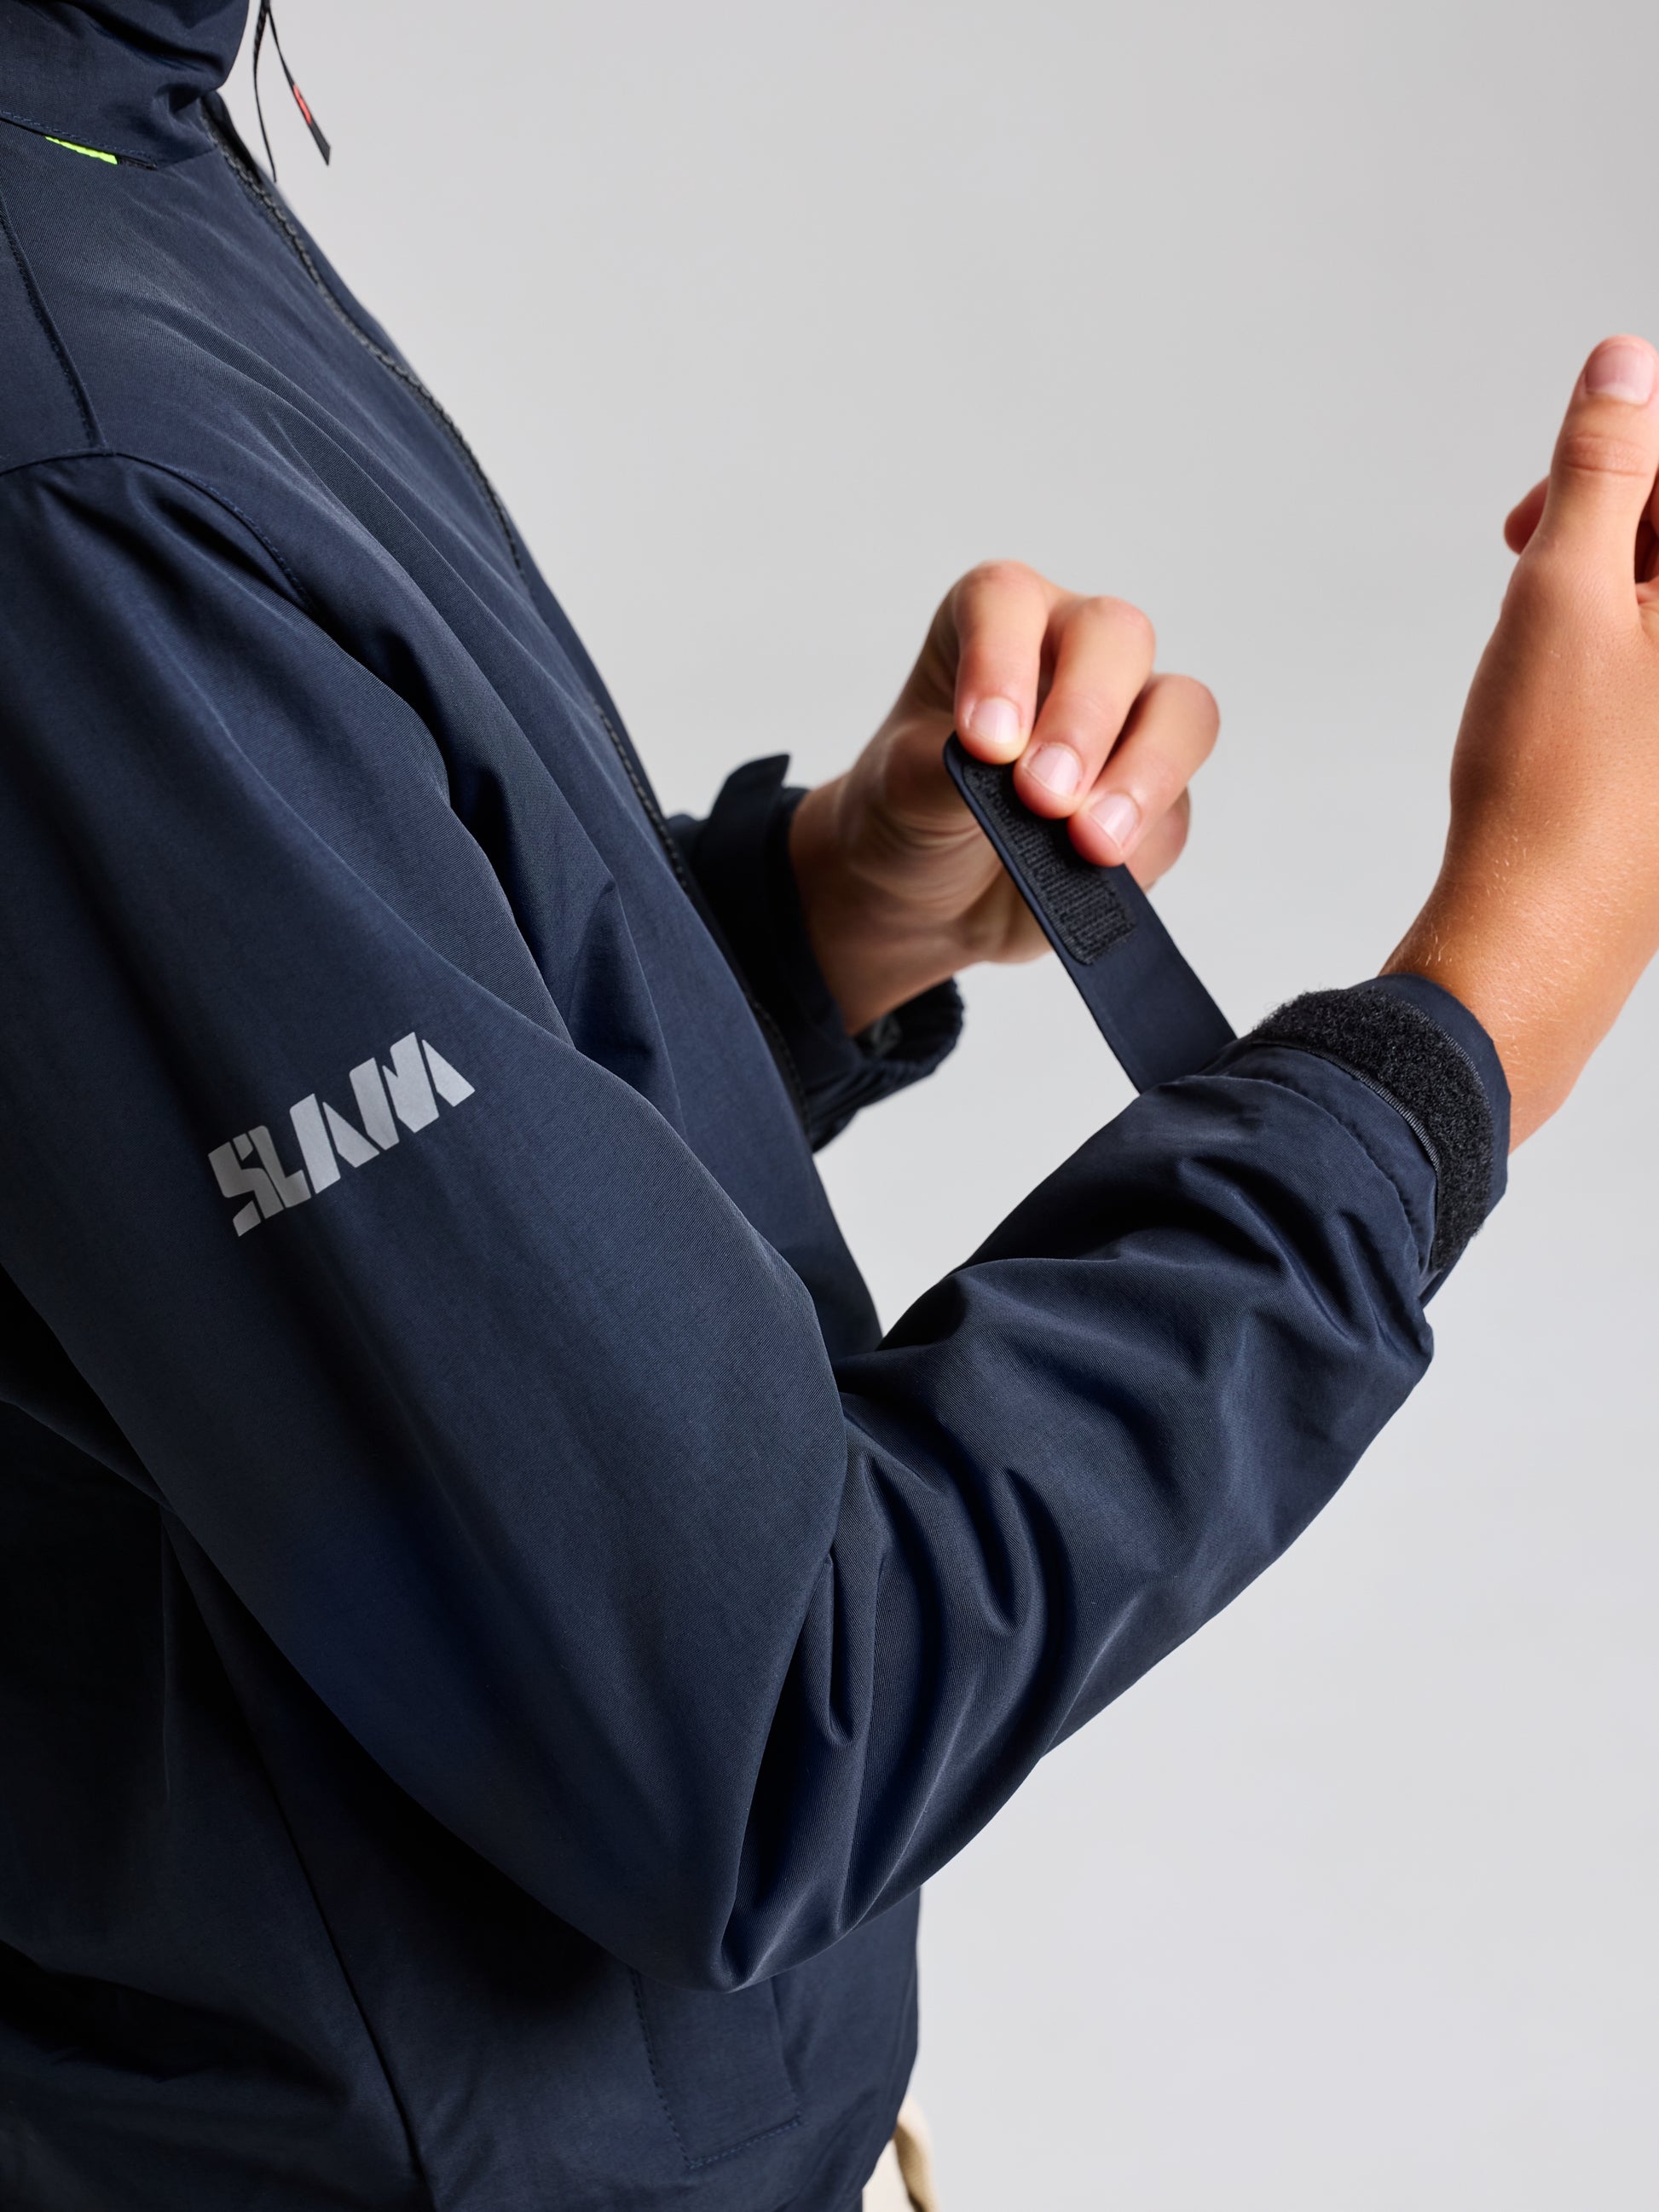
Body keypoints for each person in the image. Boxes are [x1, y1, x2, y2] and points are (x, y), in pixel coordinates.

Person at [2, 6, 1656, 2209]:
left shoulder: (112, 138)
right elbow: (762, 1711)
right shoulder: (61, 467)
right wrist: (1481, 1009)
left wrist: (797, 930)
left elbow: (185, 1194)